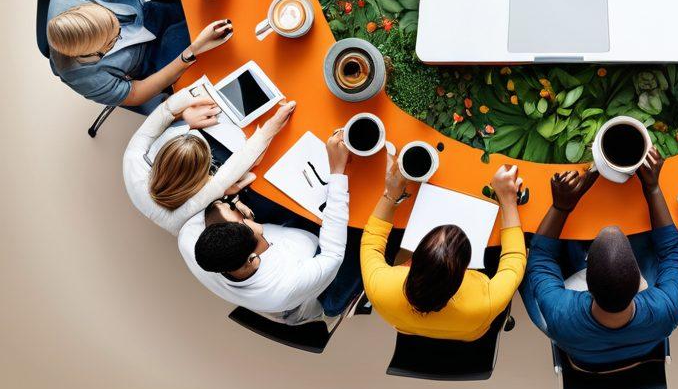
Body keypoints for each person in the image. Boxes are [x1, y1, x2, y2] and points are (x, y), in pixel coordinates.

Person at [521, 151, 678, 368]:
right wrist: (652, 188)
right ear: (639, 281)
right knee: (654, 247)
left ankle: (578, 249)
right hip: (639, 342)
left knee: (530, 273)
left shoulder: (560, 312)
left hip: (570, 333)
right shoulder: (667, 309)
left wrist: (561, 207)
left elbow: (540, 256)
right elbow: (671, 250)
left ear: (585, 281)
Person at [180, 131, 362, 324]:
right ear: (251, 259)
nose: (258, 227)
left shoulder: (189, 237)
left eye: (242, 221)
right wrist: (337, 171)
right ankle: (344, 300)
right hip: (313, 276)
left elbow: (207, 204)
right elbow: (333, 253)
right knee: (357, 233)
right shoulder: (286, 285)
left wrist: (229, 201)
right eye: (260, 238)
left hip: (287, 238)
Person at [360, 158, 526, 340]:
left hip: (407, 324)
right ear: (465, 272)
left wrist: (390, 195)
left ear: (411, 262)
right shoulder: (484, 303)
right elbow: (514, 261)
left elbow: (371, 242)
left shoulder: (380, 287)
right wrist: (508, 201)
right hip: (469, 331)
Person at [46, 0, 232, 113]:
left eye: (113, 19)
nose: (122, 28)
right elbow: (136, 94)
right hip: (148, 57)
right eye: (114, 39)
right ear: (94, 55)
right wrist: (190, 53)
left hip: (145, 7)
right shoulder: (81, 77)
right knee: (220, 44)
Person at [123, 94, 295, 235]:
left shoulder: (133, 158)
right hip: (206, 205)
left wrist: (186, 118)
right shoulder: (187, 212)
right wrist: (271, 128)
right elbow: (224, 177)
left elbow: (164, 111)